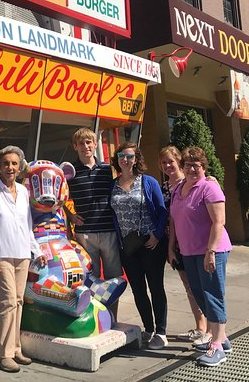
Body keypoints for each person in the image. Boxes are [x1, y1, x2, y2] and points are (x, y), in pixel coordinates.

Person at [0, 145, 45, 373]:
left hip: (22, 254)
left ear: (20, 167)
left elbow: (28, 225)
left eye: (14, 163)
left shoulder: (24, 191)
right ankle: (3, 355)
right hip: (1, 256)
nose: (10, 167)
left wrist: (36, 250)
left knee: (18, 302)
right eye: (6, 163)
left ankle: (15, 348)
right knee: (7, 304)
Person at [168, 146, 232, 367]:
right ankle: (221, 338)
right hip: (188, 251)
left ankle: (216, 346)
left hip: (211, 250)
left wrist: (211, 251)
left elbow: (218, 222)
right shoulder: (179, 190)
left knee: (212, 294)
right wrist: (171, 248)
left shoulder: (209, 188)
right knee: (199, 293)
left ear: (204, 167)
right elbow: (174, 221)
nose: (192, 168)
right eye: (187, 164)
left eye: (196, 165)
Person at [110, 142, 169, 350]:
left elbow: (162, 211)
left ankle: (161, 332)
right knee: (138, 290)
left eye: (129, 156)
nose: (125, 160)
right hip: (128, 247)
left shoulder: (148, 181)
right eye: (121, 156)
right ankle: (148, 329)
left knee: (155, 287)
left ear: (136, 159)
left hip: (150, 244)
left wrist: (157, 234)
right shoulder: (113, 185)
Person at [66, 127, 122, 319]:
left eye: (89, 142)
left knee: (113, 279)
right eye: (81, 143)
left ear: (95, 144)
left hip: (108, 231)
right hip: (85, 234)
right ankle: (98, 319)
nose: (86, 146)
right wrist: (70, 215)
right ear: (75, 146)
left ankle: (112, 318)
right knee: (91, 281)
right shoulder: (71, 173)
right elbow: (59, 197)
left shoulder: (107, 170)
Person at [160, 146, 207, 343]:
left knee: (200, 285)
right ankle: (201, 326)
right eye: (163, 162)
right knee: (189, 285)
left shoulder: (191, 181)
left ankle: (207, 328)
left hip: (194, 241)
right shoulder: (164, 187)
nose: (168, 166)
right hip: (174, 243)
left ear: (179, 161)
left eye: (171, 161)